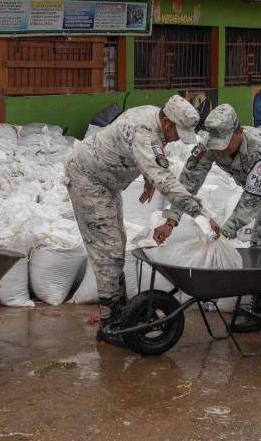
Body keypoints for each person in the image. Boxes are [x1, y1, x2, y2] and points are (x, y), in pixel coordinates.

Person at [65, 95, 216, 346]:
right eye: (177, 132)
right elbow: (163, 177)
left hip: (106, 182)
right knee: (109, 251)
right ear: (167, 121)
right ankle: (110, 324)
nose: (178, 138)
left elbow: (151, 157)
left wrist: (147, 177)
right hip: (87, 179)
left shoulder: (154, 114)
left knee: (117, 243)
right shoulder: (144, 131)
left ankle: (119, 311)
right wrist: (197, 211)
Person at [167, 104, 261, 330]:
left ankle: (259, 310)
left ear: (238, 131)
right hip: (251, 181)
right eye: (216, 145)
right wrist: (172, 217)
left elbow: (250, 202)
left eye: (225, 144)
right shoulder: (210, 144)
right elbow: (188, 181)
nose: (220, 151)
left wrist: (224, 233)